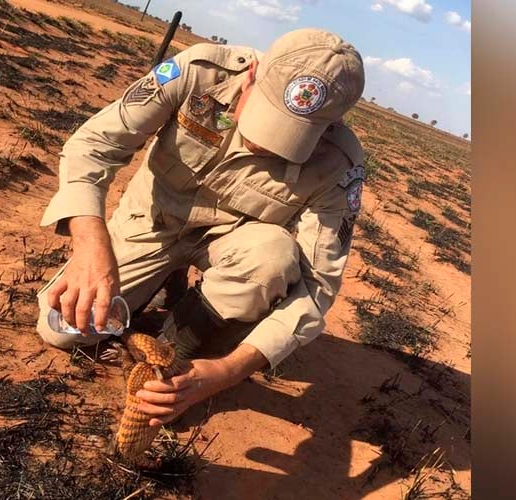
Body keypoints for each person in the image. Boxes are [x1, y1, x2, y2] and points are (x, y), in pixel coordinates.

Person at [36, 28, 366, 427]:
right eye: (264, 115)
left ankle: (178, 344)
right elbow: (93, 145)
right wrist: (91, 247)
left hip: (231, 246)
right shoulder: (198, 72)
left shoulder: (339, 164)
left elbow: (317, 287)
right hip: (152, 222)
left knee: (272, 258)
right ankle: (163, 278)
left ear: (330, 125)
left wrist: (226, 372)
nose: (264, 144)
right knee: (63, 331)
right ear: (252, 74)